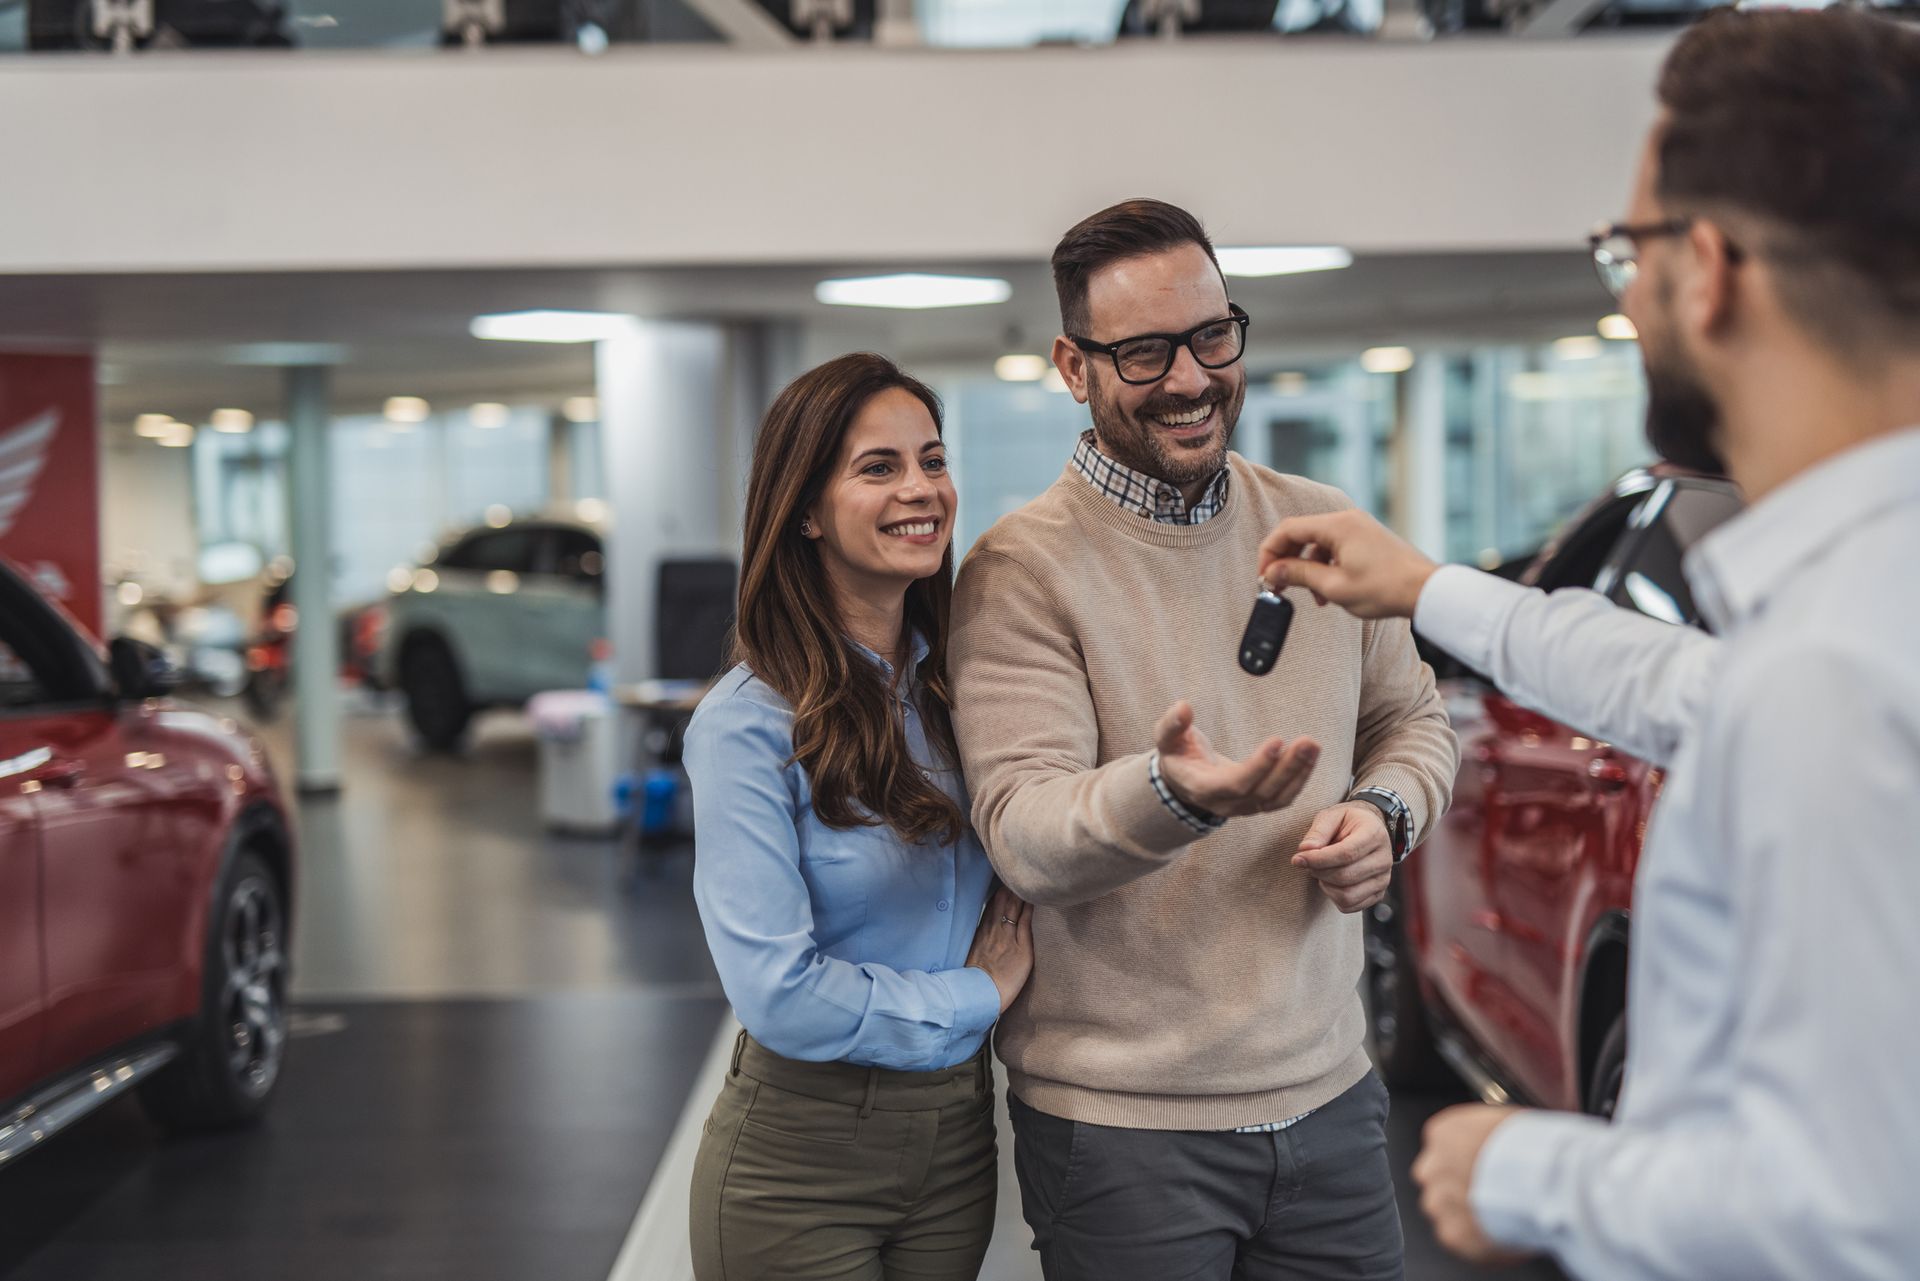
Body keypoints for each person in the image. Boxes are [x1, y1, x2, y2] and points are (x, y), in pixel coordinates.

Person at [1257, 10, 1920, 1279]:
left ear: (1710, 267)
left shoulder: (1832, 671)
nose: (1631, 291)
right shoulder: (1851, 618)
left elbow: (1857, 1214)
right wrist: (1427, 586)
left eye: (1631, 249)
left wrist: (1530, 1172)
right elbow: (1674, 682)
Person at [947, 199, 1459, 1281]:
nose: (1189, 378)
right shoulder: (1022, 570)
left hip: (1330, 1095)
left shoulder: (1321, 523)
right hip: (1126, 1130)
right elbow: (1023, 830)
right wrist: (1172, 796)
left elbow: (1411, 718)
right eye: (1142, 352)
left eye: (1211, 336)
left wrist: (1387, 815)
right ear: (1072, 367)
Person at [683, 353, 1035, 1281]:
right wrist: (979, 995)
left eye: (932, 459)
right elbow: (778, 991)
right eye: (877, 467)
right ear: (804, 509)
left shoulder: (964, 688)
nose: (920, 489)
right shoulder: (746, 724)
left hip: (959, 1139)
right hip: (799, 1160)